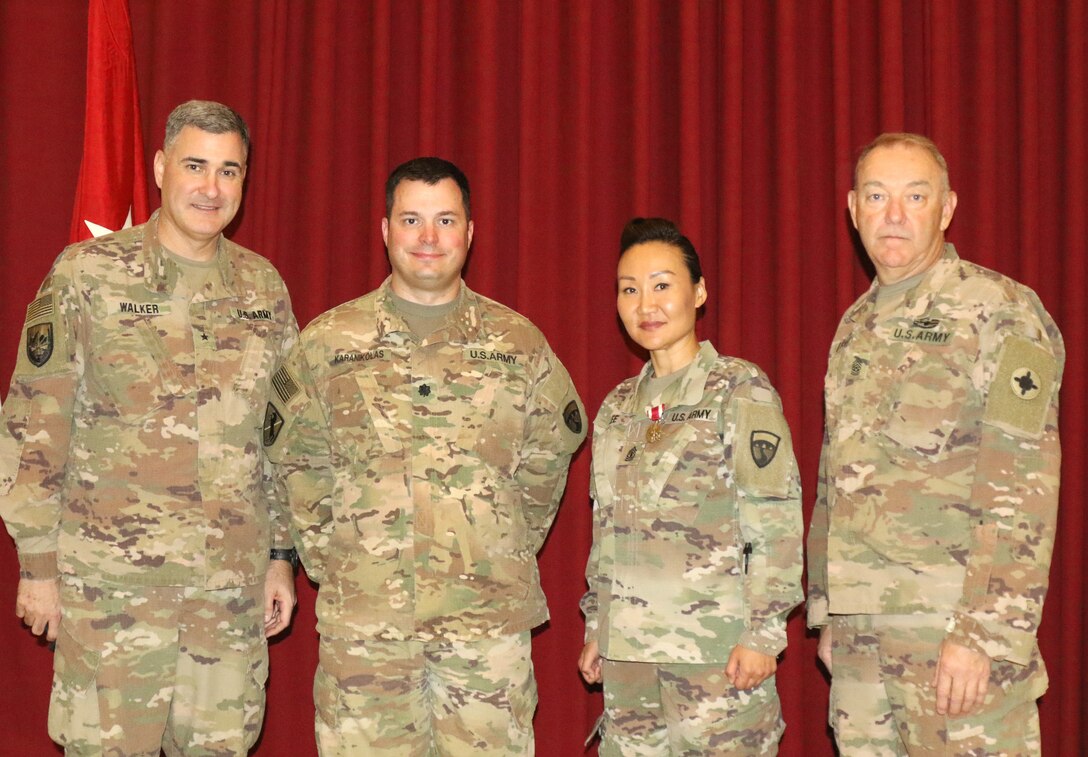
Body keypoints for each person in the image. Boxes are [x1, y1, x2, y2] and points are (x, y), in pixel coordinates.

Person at [0, 100, 300, 755]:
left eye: (229, 170)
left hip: (226, 596)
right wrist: (38, 566)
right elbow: (32, 421)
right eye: (195, 166)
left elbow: (282, 439)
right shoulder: (87, 276)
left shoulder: (263, 289)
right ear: (162, 167)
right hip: (112, 596)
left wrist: (281, 558)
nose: (211, 187)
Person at [265, 156, 586, 755]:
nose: (429, 238)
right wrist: (337, 555)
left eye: (445, 220)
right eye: (411, 219)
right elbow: (295, 459)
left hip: (485, 624)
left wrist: (500, 536)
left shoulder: (518, 343)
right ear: (385, 229)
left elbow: (552, 451)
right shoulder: (328, 342)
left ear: (471, 231)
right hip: (366, 624)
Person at [807, 133, 1064, 755]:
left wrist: (984, 632)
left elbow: (1022, 484)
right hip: (861, 639)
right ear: (853, 209)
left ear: (946, 209)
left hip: (952, 633)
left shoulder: (999, 311)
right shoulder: (855, 326)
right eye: (877, 195)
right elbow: (834, 480)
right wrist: (829, 608)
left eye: (914, 196)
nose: (893, 214)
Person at [578, 217, 803, 755]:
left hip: (715, 656)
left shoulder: (737, 390)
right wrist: (597, 624)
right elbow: (605, 529)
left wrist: (764, 633)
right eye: (629, 290)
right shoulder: (616, 409)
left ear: (698, 292)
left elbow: (773, 515)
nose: (645, 304)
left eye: (662, 285)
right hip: (630, 658)